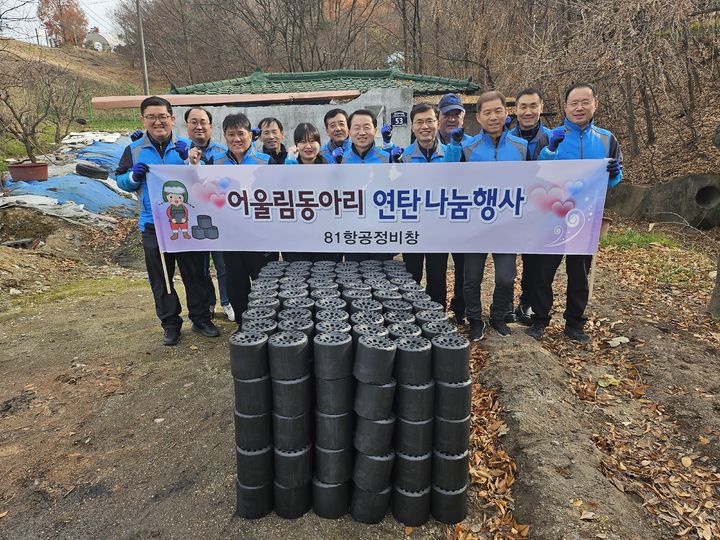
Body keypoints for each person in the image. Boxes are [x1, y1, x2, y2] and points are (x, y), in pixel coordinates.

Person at [116, 96, 219, 346]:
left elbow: (206, 179)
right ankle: (170, 323)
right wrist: (132, 176)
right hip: (153, 224)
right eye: (151, 117)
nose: (157, 122)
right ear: (144, 120)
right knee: (161, 276)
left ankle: (201, 317)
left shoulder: (187, 146)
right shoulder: (134, 150)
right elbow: (121, 181)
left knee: (195, 273)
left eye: (162, 116)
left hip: (187, 221)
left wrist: (192, 160)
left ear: (172, 119)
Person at [527, 82, 623, 344]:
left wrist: (615, 175)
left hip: (587, 216)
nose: (579, 108)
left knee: (579, 271)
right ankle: (539, 319)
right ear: (565, 107)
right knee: (543, 270)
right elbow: (536, 174)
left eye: (585, 102)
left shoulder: (606, 139)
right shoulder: (550, 136)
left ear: (595, 104)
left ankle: (574, 323)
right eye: (574, 103)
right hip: (551, 214)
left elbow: (614, 179)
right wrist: (550, 152)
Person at [446, 91, 527, 341]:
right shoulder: (468, 147)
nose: (493, 117)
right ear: (478, 117)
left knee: (505, 277)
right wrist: (453, 147)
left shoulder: (520, 147)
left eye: (498, 111)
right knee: (472, 278)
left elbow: (535, 178)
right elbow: (445, 175)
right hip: (475, 224)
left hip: (507, 224)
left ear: (506, 113)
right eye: (487, 113)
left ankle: (499, 315)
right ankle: (475, 319)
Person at [208, 113, 277, 323]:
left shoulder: (266, 161)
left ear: (250, 135)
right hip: (230, 238)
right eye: (231, 134)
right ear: (225, 136)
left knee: (265, 283)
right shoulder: (215, 162)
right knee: (236, 285)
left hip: (261, 237)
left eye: (241, 134)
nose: (236, 139)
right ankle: (242, 325)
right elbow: (206, 193)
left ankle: (266, 323)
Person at [182, 107, 234, 321]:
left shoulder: (223, 153)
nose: (199, 126)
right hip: (191, 218)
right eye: (194, 122)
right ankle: (208, 304)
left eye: (203, 122)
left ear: (211, 126)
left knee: (223, 265)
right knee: (199, 267)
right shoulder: (179, 151)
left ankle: (227, 301)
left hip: (220, 218)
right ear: (186, 126)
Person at [399, 103, 452, 308]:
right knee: (411, 274)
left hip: (439, 228)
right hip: (412, 227)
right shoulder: (402, 157)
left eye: (429, 120)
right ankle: (410, 315)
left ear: (437, 123)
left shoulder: (450, 155)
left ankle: (437, 316)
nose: (425, 126)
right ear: (412, 127)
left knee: (437, 275)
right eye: (419, 122)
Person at [509, 88, 553, 326]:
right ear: (515, 110)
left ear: (541, 108)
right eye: (523, 107)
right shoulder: (505, 138)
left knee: (534, 262)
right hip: (508, 209)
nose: (528, 112)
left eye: (532, 106)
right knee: (505, 259)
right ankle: (505, 303)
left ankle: (526, 302)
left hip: (541, 212)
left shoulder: (553, 139)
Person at [341, 109, 394, 262]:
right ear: (349, 131)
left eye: (366, 127)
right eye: (356, 128)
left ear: (375, 130)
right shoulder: (341, 160)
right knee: (353, 278)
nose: (362, 132)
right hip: (352, 232)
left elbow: (399, 187)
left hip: (381, 231)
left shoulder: (386, 158)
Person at [437, 93, 471, 324]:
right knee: (436, 270)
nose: (451, 119)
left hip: (463, 216)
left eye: (456, 114)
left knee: (463, 269)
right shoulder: (429, 142)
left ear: (463, 117)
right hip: (434, 218)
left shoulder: (473, 144)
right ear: (438, 116)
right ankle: (436, 309)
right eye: (446, 114)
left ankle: (461, 310)